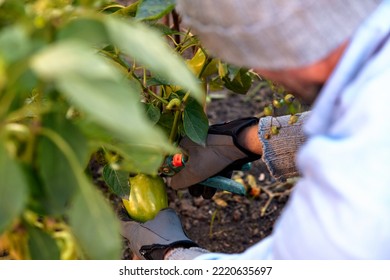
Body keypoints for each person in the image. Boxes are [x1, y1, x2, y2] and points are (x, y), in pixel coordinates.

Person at [121, 0, 390, 259]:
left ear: (288, 45)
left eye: (253, 57)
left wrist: (169, 254)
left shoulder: (364, 190)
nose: (260, 70)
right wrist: (247, 140)